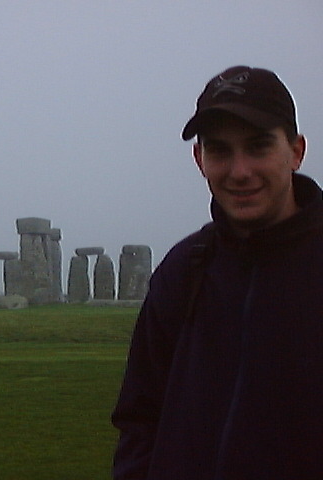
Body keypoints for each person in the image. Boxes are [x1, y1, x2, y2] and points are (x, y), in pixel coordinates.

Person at [111, 65, 323, 479]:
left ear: (296, 151)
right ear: (199, 159)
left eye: (258, 147)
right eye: (220, 151)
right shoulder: (183, 269)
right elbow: (140, 417)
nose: (239, 171)